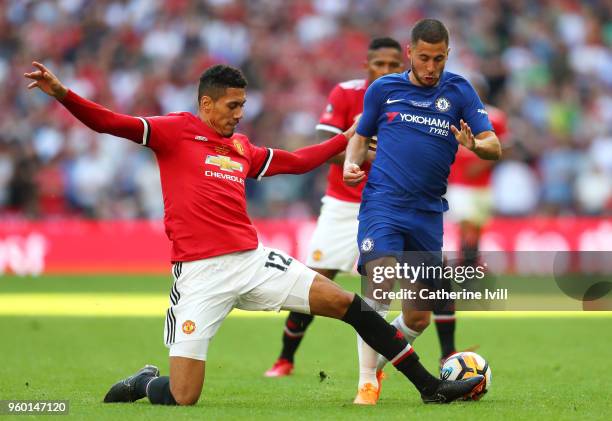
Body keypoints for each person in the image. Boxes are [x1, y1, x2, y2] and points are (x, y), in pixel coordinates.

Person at [25, 61, 485, 406]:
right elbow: (110, 122)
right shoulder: (173, 132)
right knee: (184, 396)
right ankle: (147, 381)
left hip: (252, 260)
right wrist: (63, 93)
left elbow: (298, 161)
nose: (239, 114)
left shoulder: (241, 148)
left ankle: (430, 388)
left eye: (243, 105)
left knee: (349, 304)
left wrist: (349, 136)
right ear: (206, 104)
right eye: (232, 106)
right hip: (199, 275)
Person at [343, 18, 501, 401]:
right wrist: (352, 162)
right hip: (383, 203)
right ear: (409, 53)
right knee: (379, 283)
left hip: (428, 212)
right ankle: (366, 381)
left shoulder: (460, 90)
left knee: (417, 315)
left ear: (449, 55)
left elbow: (493, 145)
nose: (432, 68)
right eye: (425, 58)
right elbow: (360, 138)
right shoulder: (384, 89)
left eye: (440, 59)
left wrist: (474, 145)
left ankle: (378, 365)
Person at [264, 36, 405, 404]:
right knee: (316, 281)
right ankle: (285, 358)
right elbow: (327, 146)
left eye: (394, 65)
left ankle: (375, 371)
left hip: (388, 206)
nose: (387, 71)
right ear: (367, 66)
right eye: (380, 65)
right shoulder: (346, 93)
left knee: (388, 291)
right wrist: (370, 157)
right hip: (343, 205)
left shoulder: (411, 98)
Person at [438, 73, 509, 365]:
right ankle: (466, 279)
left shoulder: (496, 117)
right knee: (466, 228)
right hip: (460, 187)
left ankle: (468, 274)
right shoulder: (451, 113)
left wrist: (478, 167)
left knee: (475, 231)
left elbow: (501, 148)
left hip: (483, 186)